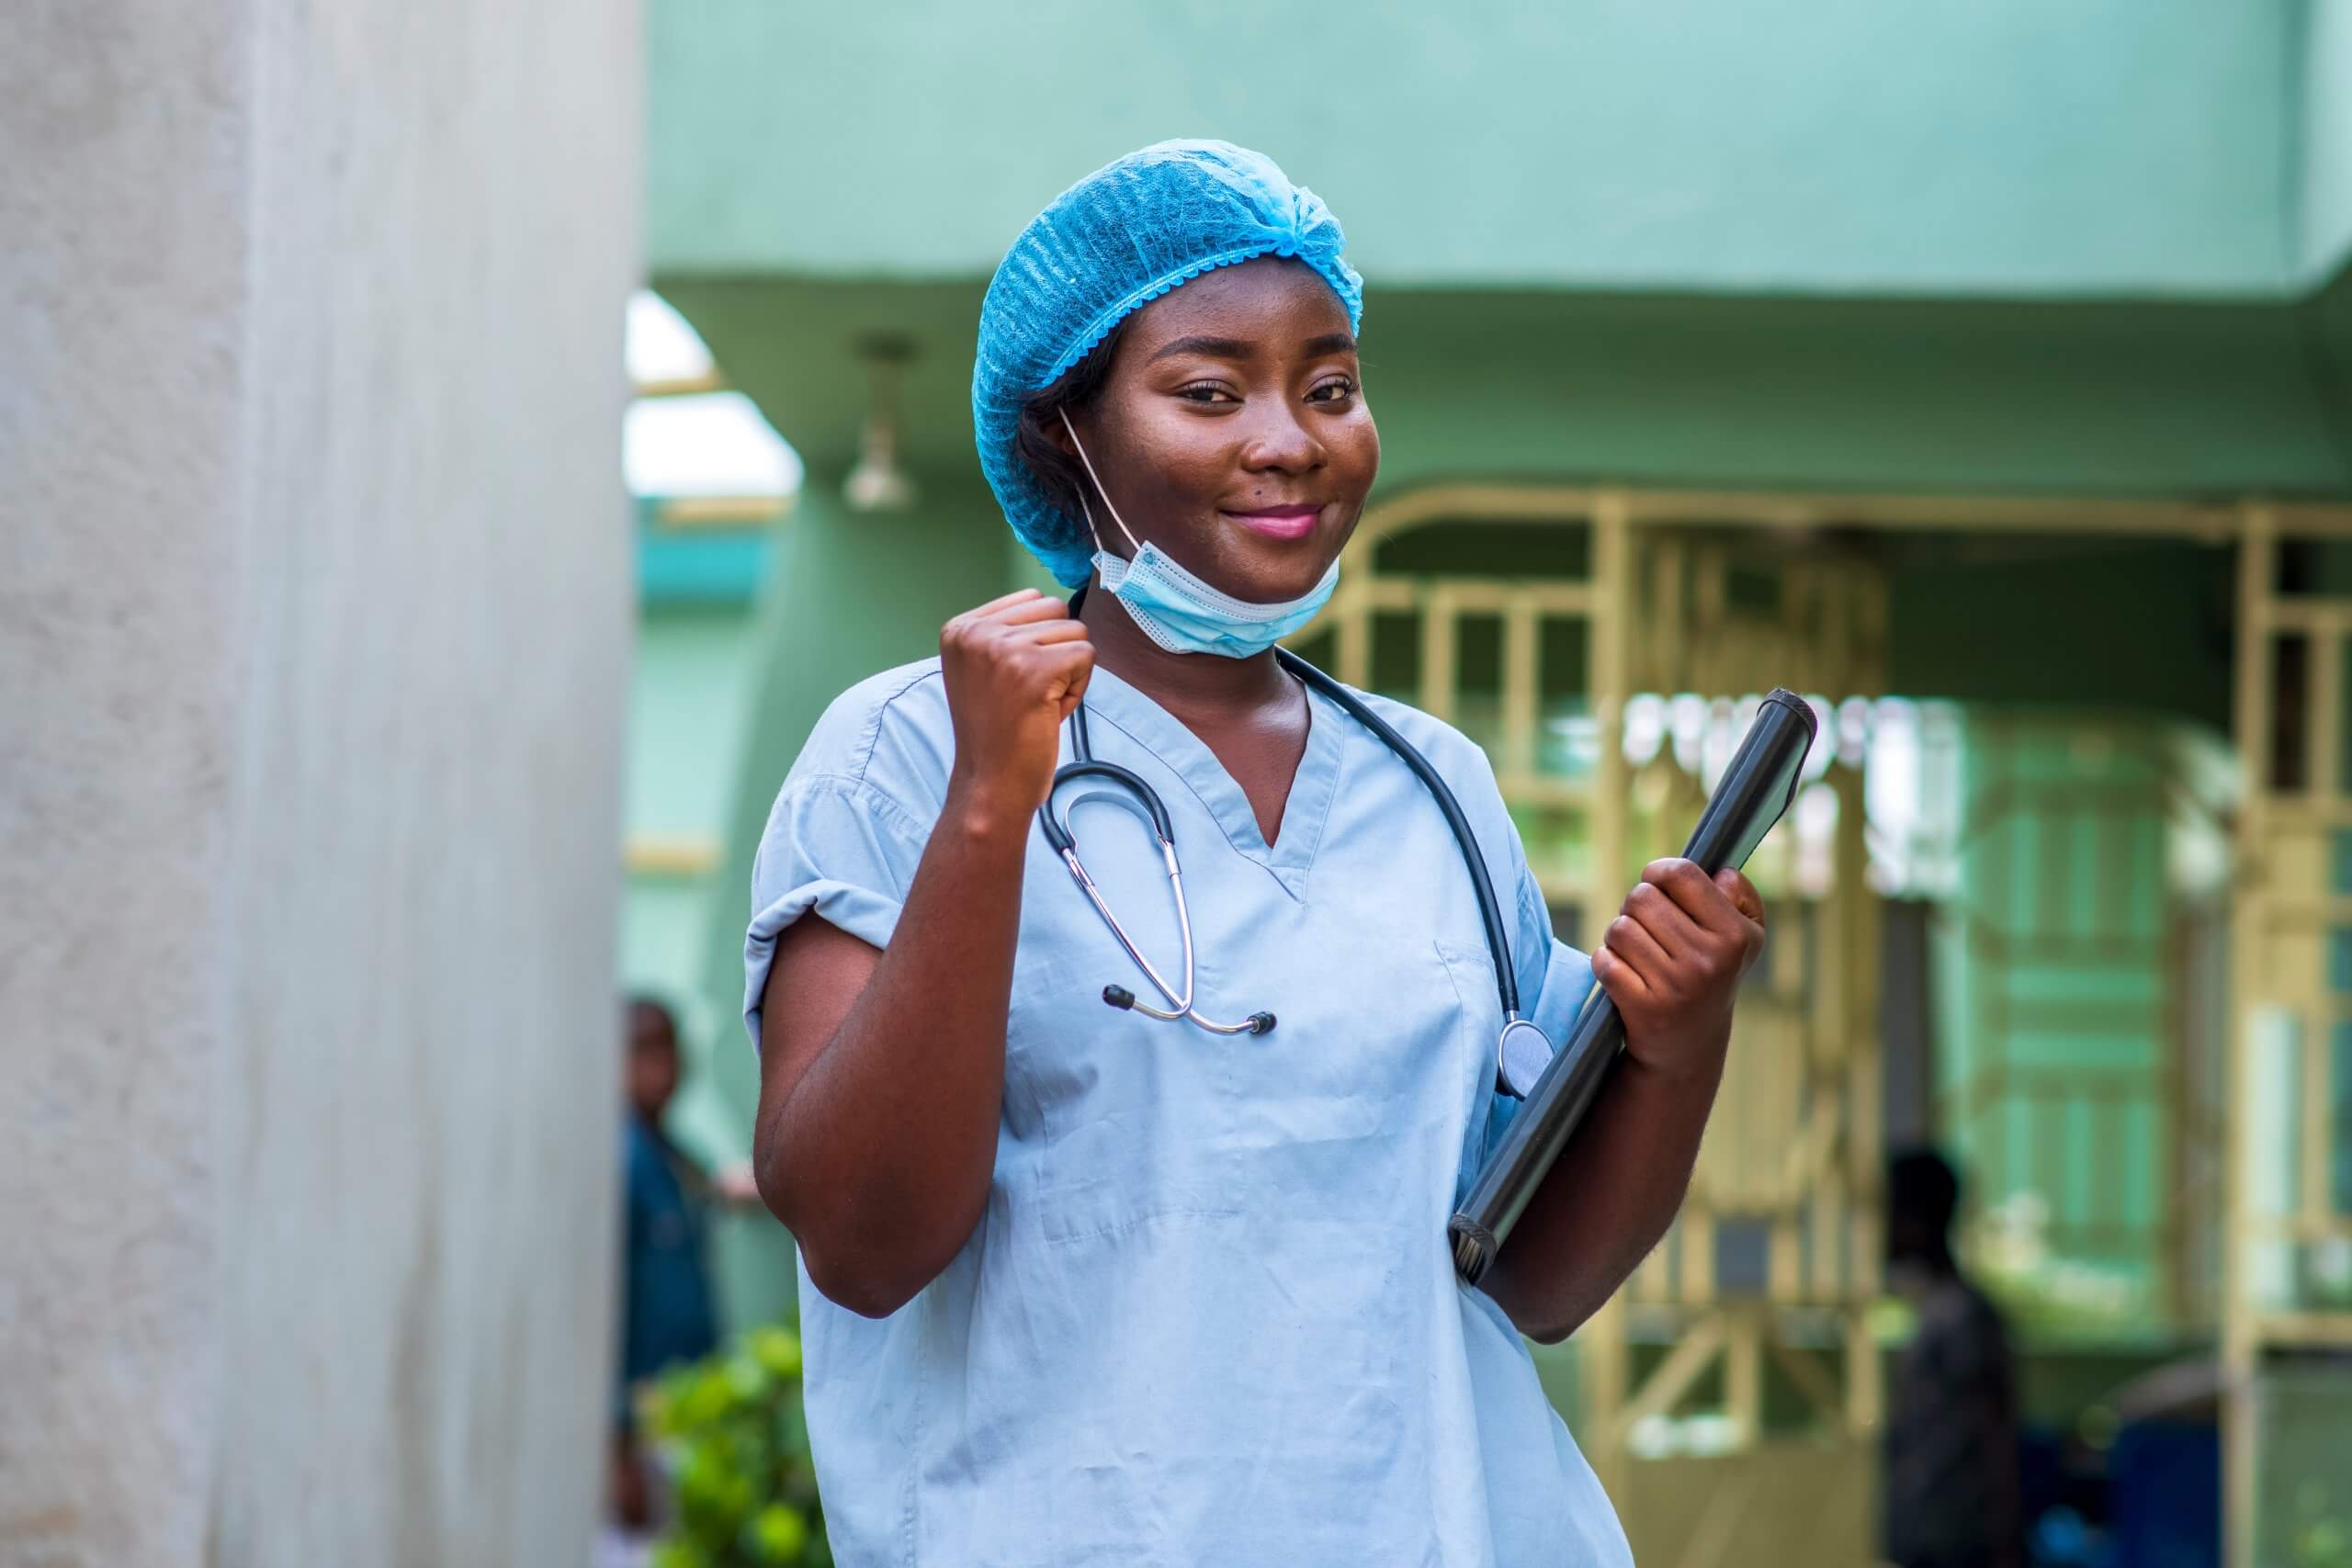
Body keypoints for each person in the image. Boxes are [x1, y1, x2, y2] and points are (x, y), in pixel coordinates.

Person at [744, 141, 1766, 1564]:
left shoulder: (1435, 785)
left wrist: (1676, 1044)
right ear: (1066, 437)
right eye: (1209, 392)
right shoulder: (903, 754)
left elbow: (1528, 1273)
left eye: (1331, 387)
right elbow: (862, 1239)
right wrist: (990, 806)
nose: (1290, 439)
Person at [610, 997, 755, 1538]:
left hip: (686, 1410)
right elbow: (606, 1305)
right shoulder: (619, 1162)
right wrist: (616, 1444)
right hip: (644, 1416)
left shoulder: (670, 1153)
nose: (663, 1066)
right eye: (644, 1049)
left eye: (670, 1047)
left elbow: (712, 1190)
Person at [1883, 1146, 2023, 1568]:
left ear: (1913, 1220)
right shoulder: (1934, 1315)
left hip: (1961, 1549)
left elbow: (1990, 1449)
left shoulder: (1964, 1319)